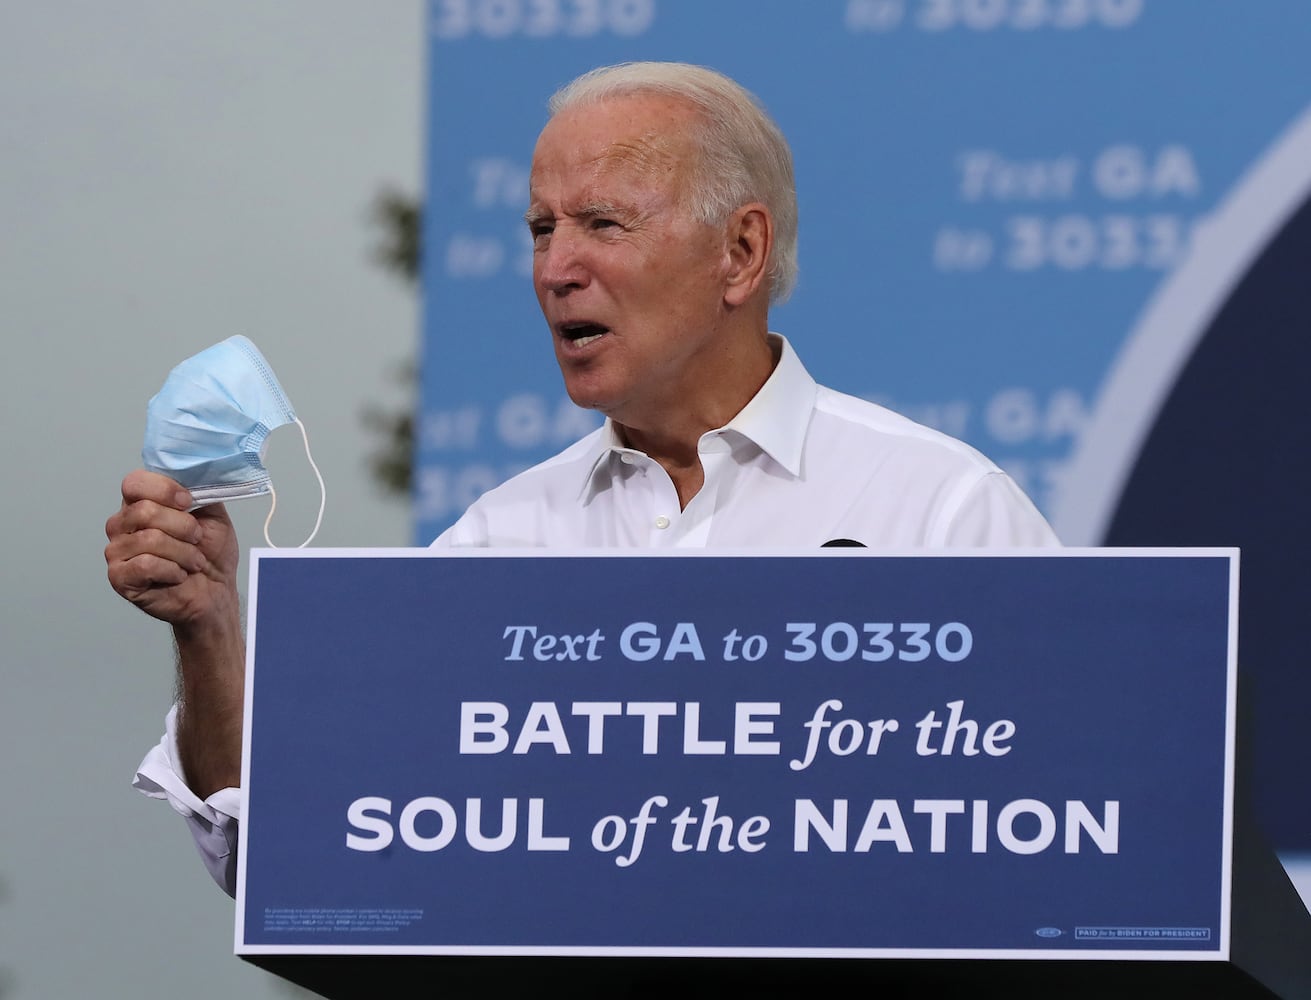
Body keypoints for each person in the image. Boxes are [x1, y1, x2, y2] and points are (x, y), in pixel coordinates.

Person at [105, 61, 1058, 896]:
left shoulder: (937, 508)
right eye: (539, 228)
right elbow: (287, 862)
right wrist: (212, 630)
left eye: (603, 222)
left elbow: (1058, 841)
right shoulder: (499, 539)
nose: (556, 267)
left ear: (741, 251)